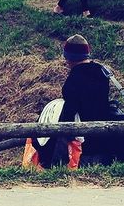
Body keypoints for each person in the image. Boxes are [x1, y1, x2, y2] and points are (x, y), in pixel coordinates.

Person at [34, 35, 118, 168]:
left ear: (69, 58)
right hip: (104, 138)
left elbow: (70, 111)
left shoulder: (75, 78)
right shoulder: (101, 71)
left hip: (84, 145)